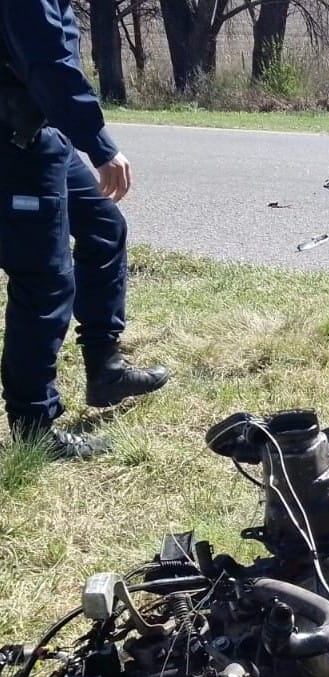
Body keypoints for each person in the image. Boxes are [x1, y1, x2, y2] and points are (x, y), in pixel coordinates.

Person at [0, 0, 168, 461]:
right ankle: (34, 426)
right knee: (44, 280)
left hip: (42, 132)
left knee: (103, 225)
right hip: (15, 143)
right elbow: (47, 61)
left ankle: (105, 368)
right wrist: (99, 144)